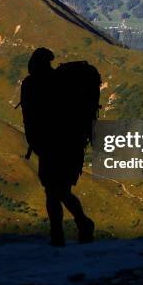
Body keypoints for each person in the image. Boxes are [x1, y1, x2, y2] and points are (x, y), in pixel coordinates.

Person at [20, 47, 94, 247]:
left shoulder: (35, 85)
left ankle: (66, 231)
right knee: (58, 191)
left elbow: (33, 118)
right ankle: (77, 226)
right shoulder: (61, 83)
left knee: (55, 191)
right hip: (66, 147)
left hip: (53, 147)